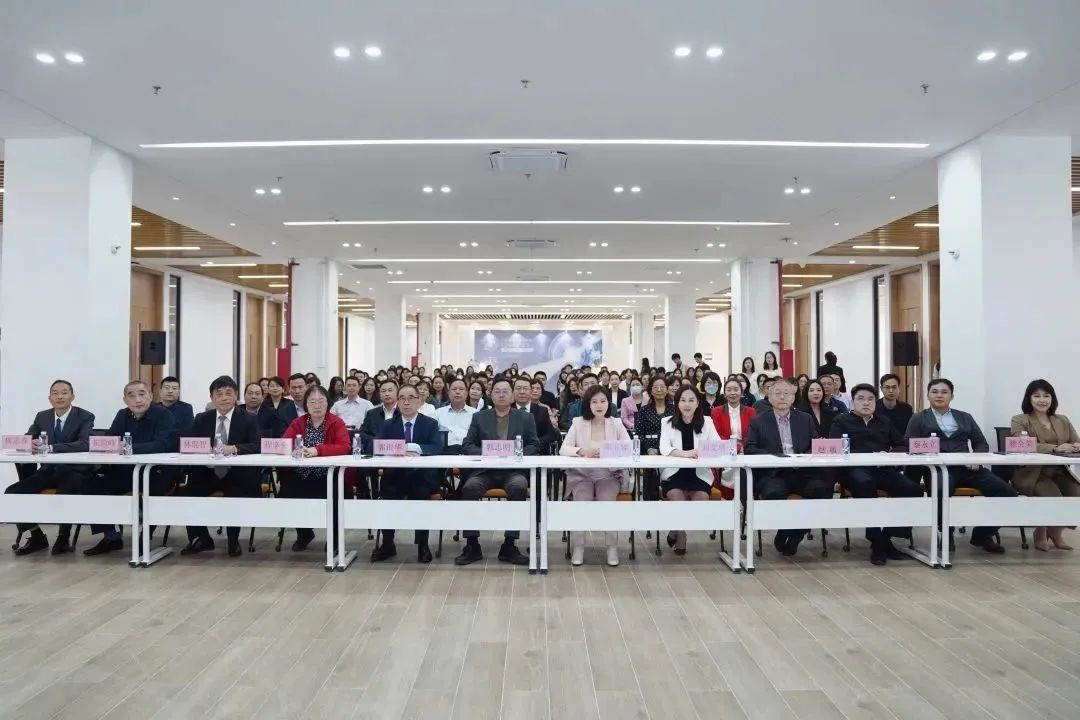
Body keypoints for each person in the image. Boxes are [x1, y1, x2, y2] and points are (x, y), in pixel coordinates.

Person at [905, 378, 1017, 554]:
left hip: (967, 467)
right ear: (927, 395)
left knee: (1007, 493)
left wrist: (976, 459)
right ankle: (946, 532)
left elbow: (981, 443)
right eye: (934, 391)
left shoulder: (965, 417)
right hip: (938, 468)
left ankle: (982, 534)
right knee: (942, 489)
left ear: (952, 396)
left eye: (944, 392)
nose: (939, 395)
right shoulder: (919, 418)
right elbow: (909, 444)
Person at [830, 383, 923, 565]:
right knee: (865, 485)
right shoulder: (841, 421)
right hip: (855, 470)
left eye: (870, 399)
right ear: (853, 401)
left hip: (882, 468)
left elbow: (901, 444)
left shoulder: (883, 421)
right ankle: (876, 540)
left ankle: (886, 537)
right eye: (861, 399)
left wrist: (890, 454)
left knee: (913, 489)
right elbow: (835, 448)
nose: (866, 403)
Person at [80, 380, 175, 556]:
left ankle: (144, 536)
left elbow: (162, 445)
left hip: (155, 472)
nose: (137, 400)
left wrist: (127, 448)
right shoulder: (122, 414)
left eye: (142, 394)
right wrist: (103, 445)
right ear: (125, 400)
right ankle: (111, 536)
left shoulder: (163, 415)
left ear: (150, 396)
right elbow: (110, 439)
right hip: (125, 471)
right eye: (131, 396)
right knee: (91, 484)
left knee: (151, 493)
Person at [454, 377, 539, 566]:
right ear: (491, 395)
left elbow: (534, 445)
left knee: (519, 487)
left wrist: (515, 453)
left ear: (513, 395)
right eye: (497, 391)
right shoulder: (480, 417)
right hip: (485, 470)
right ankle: (472, 544)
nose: (501, 395)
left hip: (513, 470)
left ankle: (510, 545)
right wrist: (488, 453)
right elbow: (467, 445)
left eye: (505, 391)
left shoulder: (526, 418)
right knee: (469, 488)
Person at [6, 380, 95, 556]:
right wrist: (28, 444)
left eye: (64, 392)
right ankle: (37, 535)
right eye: (55, 393)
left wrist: (52, 448)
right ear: (49, 398)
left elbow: (86, 443)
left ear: (72, 396)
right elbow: (28, 438)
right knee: (13, 492)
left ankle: (63, 537)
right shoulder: (42, 416)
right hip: (48, 471)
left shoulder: (85, 416)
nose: (59, 396)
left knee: (67, 490)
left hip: (74, 471)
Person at [745, 379, 832, 556]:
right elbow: (750, 448)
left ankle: (793, 534)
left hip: (802, 472)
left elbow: (814, 445)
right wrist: (775, 457)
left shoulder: (805, 419)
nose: (782, 397)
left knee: (821, 490)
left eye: (787, 393)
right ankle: (785, 529)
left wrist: (803, 457)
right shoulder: (758, 420)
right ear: (769, 397)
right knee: (773, 493)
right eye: (777, 393)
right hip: (775, 473)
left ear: (793, 398)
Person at [179, 376, 263, 557]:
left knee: (235, 495)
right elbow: (189, 442)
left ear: (236, 395)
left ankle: (233, 540)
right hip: (208, 473)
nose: (224, 398)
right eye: (219, 394)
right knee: (187, 493)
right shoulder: (202, 419)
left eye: (228, 393)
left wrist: (233, 448)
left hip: (237, 474)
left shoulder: (248, 419)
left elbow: (258, 445)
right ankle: (201, 539)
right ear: (212, 398)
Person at [371, 385, 444, 563]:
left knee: (421, 496)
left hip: (421, 477)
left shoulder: (430, 423)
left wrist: (413, 447)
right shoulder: (389, 424)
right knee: (387, 496)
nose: (406, 402)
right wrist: (394, 449)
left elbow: (436, 447)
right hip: (395, 476)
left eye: (411, 397)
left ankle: (422, 545)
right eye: (402, 398)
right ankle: (387, 544)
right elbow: (377, 447)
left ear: (419, 401)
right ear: (397, 401)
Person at [559, 385, 630, 566]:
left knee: (607, 503)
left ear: (609, 403)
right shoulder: (578, 423)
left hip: (608, 474)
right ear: (588, 404)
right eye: (594, 402)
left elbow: (628, 448)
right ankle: (579, 547)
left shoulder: (616, 423)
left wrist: (610, 451)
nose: (599, 405)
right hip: (582, 475)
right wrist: (583, 451)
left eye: (603, 401)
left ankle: (612, 548)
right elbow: (563, 449)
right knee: (582, 501)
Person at [1010, 379, 1080, 551]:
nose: (1042, 400)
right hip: (1032, 473)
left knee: (1077, 495)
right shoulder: (1020, 419)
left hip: (1060, 471)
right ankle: (1040, 532)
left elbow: (1075, 440)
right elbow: (1020, 443)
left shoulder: (1062, 419)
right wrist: (1054, 448)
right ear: (1029, 398)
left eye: (1046, 396)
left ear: (1052, 398)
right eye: (1037, 396)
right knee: (1052, 497)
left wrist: (1076, 445)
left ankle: (1055, 532)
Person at [278, 384, 351, 551]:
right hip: (302, 474)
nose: (317, 405)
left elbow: (344, 446)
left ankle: (334, 538)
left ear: (328, 403)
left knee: (335, 496)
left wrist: (317, 450)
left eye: (321, 401)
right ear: (306, 405)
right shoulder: (299, 422)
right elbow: (284, 443)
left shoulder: (336, 422)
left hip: (329, 475)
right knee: (286, 494)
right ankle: (304, 533)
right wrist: (294, 449)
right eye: (312, 402)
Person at [659, 385, 721, 554]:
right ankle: (681, 535)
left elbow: (717, 445)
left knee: (701, 501)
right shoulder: (667, 422)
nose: (687, 404)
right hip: (674, 474)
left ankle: (674, 529)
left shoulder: (707, 422)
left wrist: (702, 451)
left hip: (699, 475)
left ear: (697, 403)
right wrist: (686, 454)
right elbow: (664, 448)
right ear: (677, 403)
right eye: (683, 400)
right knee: (677, 499)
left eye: (691, 400)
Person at [514, 377, 559, 453]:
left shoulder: (542, 411)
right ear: (513, 391)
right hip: (512, 454)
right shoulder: (506, 410)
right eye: (518, 388)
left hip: (537, 453)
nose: (522, 392)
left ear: (530, 391)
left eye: (525, 388)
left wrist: (532, 446)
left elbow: (550, 435)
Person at [435, 378, 477, 453]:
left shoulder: (476, 414)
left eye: (461, 389)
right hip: (444, 453)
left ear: (467, 393)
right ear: (448, 393)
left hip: (469, 453)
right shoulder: (438, 413)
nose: (457, 392)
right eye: (454, 389)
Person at [359, 379, 400, 453]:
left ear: (397, 393)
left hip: (400, 452)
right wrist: (379, 442)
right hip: (376, 453)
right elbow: (363, 434)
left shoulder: (404, 413)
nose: (387, 394)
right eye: (383, 391)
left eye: (390, 390)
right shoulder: (371, 414)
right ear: (380, 394)